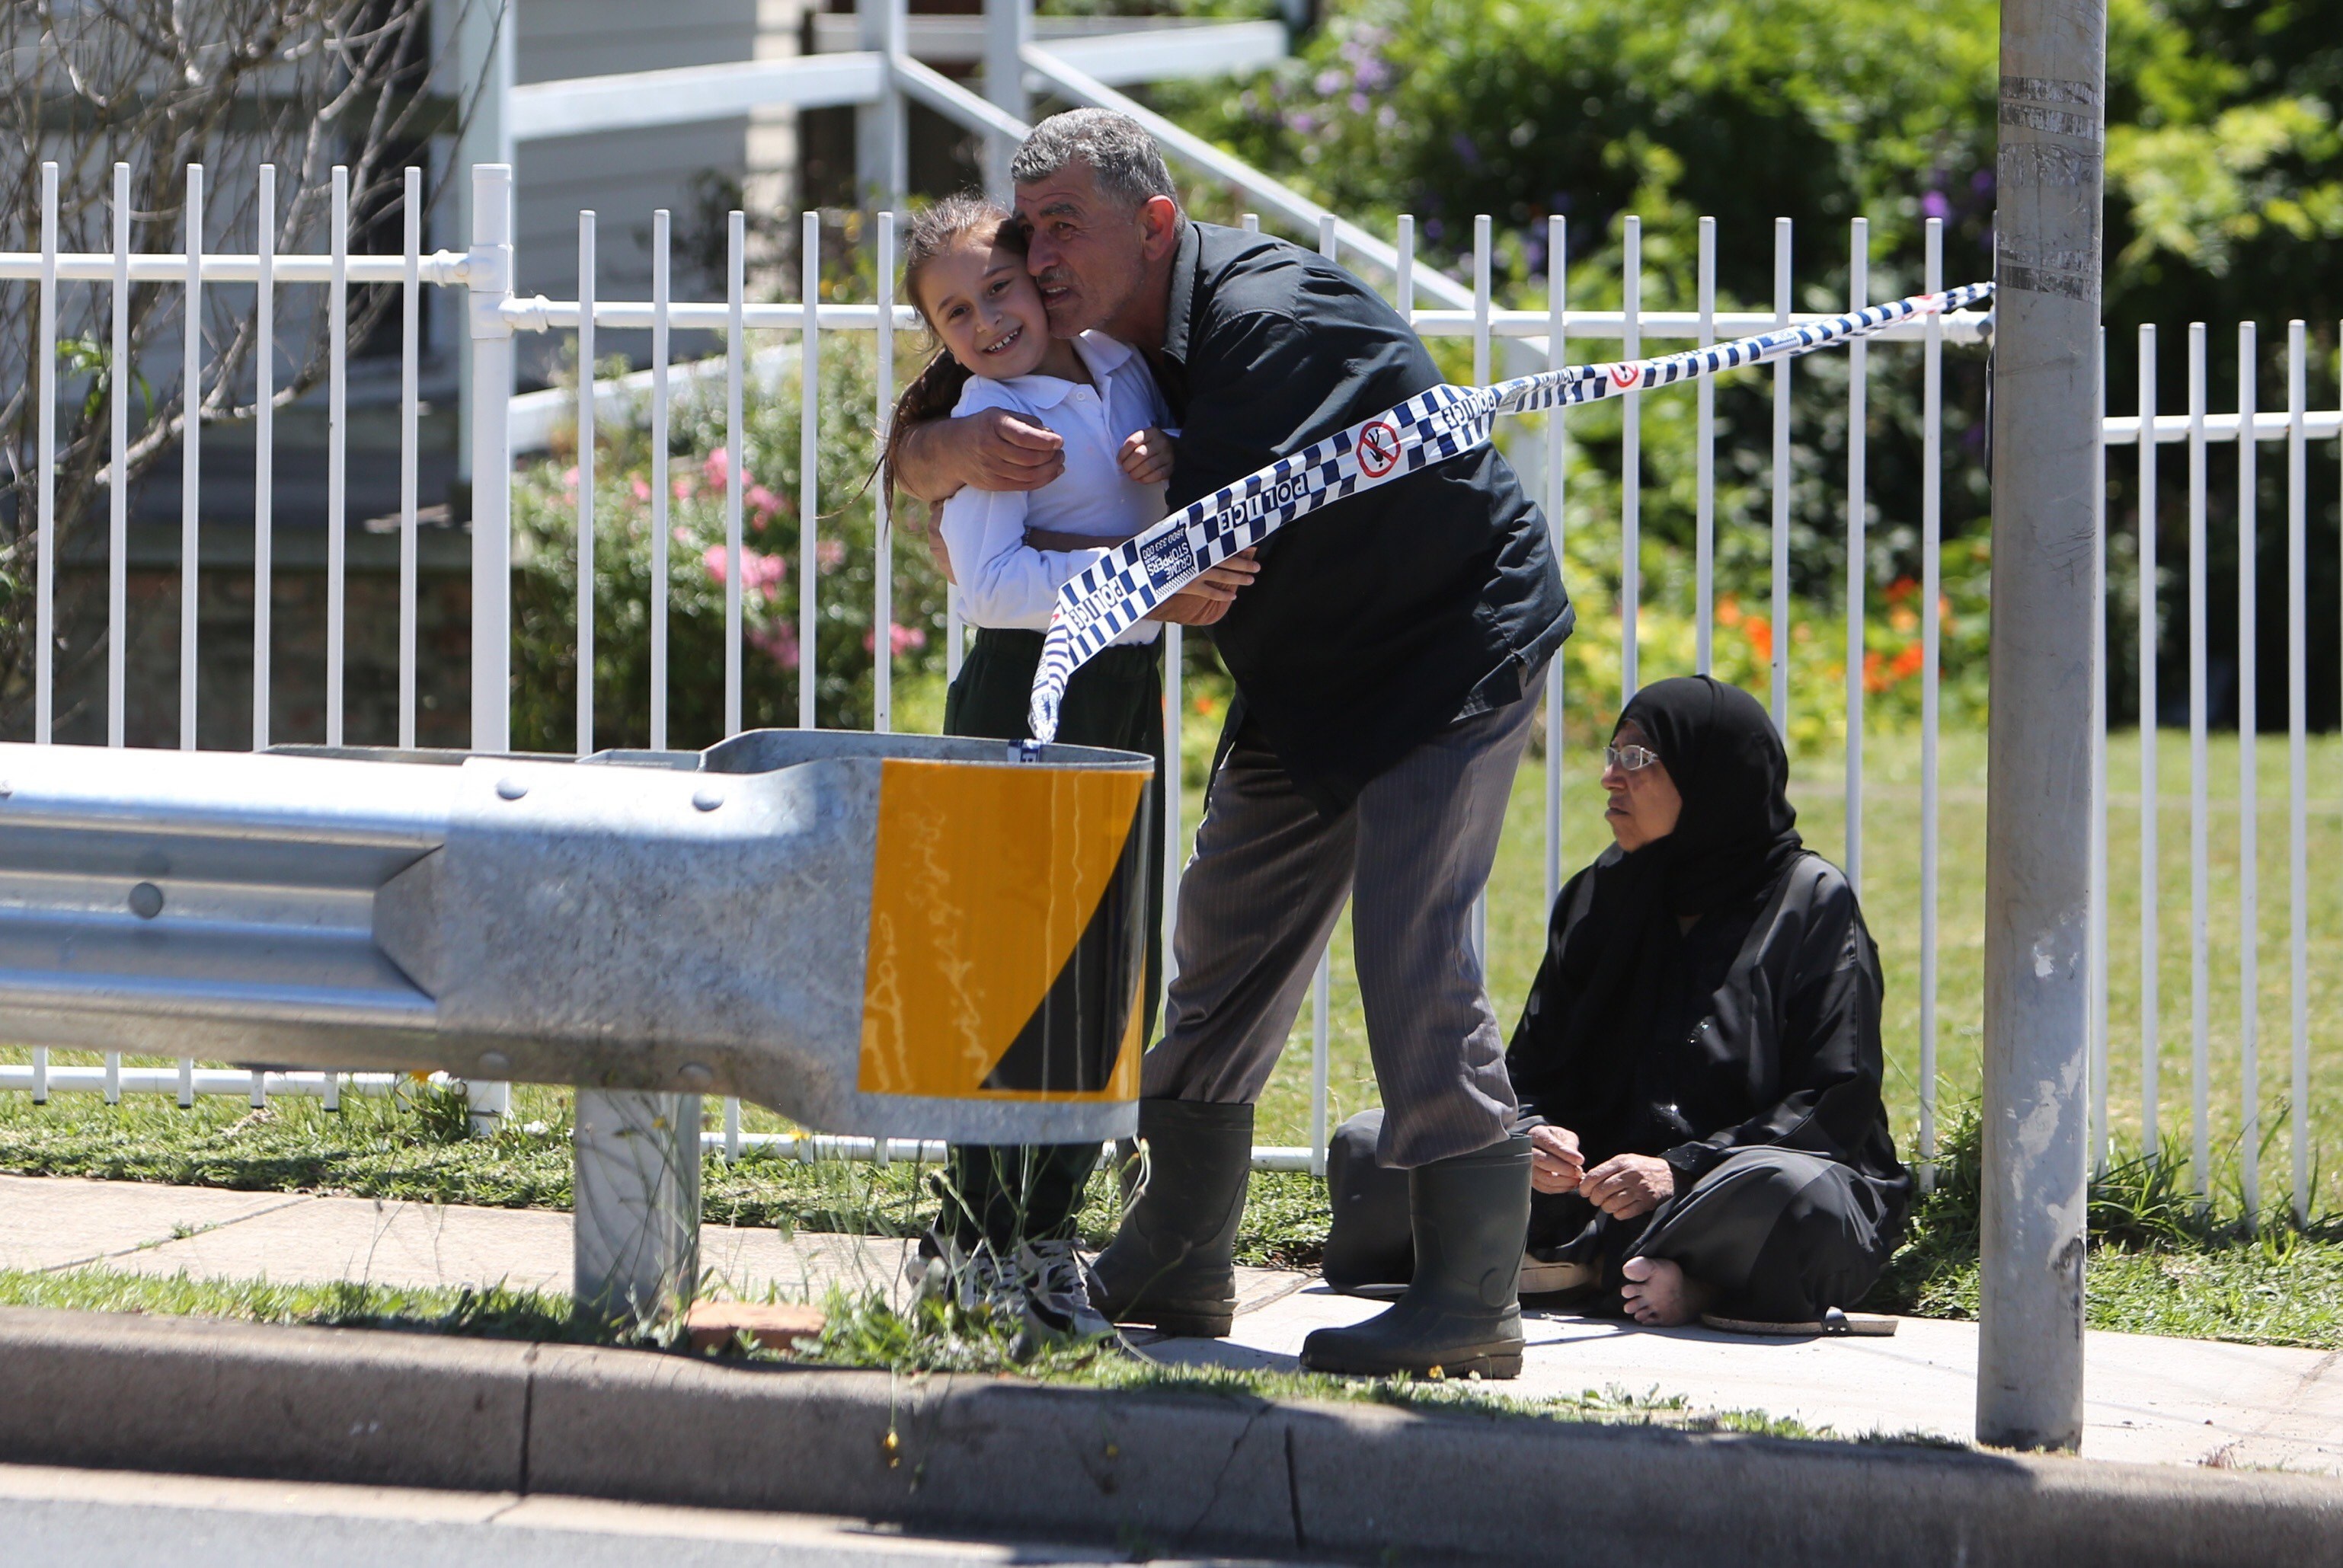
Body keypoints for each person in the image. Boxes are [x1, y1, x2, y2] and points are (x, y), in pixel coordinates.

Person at [890, 110, 1574, 1379]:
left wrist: (1084, 488)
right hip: (1313, 668)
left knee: (1412, 945)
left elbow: (1201, 538)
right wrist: (934, 449)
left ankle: (1471, 1295)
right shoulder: (1118, 346)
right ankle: (1179, 1253)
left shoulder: (1267, 317)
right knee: (1224, 936)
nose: (1034, 265)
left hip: (1443, 647)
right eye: (1026, 230)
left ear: (1154, 225)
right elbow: (980, 421)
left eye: (1062, 232)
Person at [878, 196, 1248, 1352]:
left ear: (1039, 278)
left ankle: (1048, 1234)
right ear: (936, 334)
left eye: (999, 288)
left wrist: (1171, 458)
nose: (987, 319)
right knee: (1012, 978)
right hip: (1021, 701)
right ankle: (978, 1247)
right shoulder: (992, 414)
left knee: (1103, 977)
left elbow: (1153, 489)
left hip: (1117, 697)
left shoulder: (1117, 365)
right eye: (955, 310)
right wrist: (1142, 574)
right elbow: (991, 589)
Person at [1321, 675, 1913, 1329]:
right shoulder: (1599, 894)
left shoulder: (1812, 901)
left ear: (1710, 775)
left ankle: (1650, 1275)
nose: (1610, 777)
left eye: (1636, 759)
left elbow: (1836, 1098)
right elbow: (1529, 1071)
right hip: (1592, 1190)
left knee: (1792, 1196)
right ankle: (1625, 1266)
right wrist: (1532, 1134)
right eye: (1611, 755)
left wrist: (1679, 1170)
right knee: (1370, 1145)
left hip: (1726, 1184)